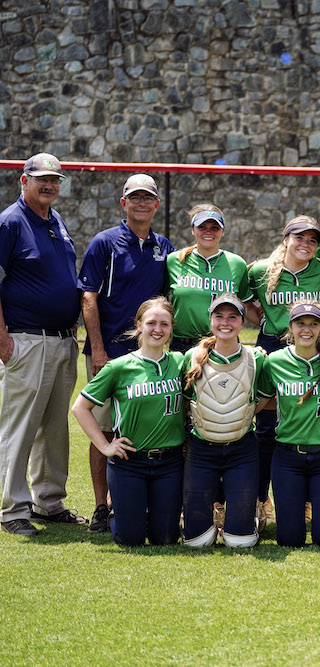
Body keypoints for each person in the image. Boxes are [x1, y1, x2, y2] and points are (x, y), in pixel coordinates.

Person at [78, 173, 174, 533]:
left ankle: (132, 502)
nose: (141, 203)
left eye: (148, 198)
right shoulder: (105, 242)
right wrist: (99, 349)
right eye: (134, 197)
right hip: (111, 353)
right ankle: (102, 506)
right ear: (124, 203)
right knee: (102, 429)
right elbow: (87, 296)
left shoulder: (163, 245)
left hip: (150, 354)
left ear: (156, 205)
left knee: (141, 426)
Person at [0, 153, 86, 536]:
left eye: (55, 179)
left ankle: (48, 502)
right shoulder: (10, 222)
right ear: (24, 180)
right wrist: (3, 341)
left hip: (61, 341)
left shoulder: (54, 221)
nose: (49, 185)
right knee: (20, 427)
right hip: (26, 340)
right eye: (41, 179)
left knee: (54, 428)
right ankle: (12, 508)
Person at [72, 298, 185, 546]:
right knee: (130, 539)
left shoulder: (180, 362)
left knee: (164, 538)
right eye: (151, 322)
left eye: (164, 324)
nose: (157, 329)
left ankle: (144, 511)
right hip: (129, 463)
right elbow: (80, 407)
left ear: (171, 329)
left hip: (170, 463)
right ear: (138, 325)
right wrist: (105, 446)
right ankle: (119, 510)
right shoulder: (119, 367)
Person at [247, 216, 320, 523]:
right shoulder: (260, 270)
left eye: (312, 240)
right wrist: (268, 324)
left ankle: (307, 502)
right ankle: (259, 500)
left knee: (306, 423)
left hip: (307, 347)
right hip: (272, 345)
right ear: (286, 239)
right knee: (266, 428)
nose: (305, 245)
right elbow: (246, 304)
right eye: (299, 238)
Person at [181, 294, 269, 548]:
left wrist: (239, 417)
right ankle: (204, 515)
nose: (225, 322)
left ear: (243, 323)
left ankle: (247, 515)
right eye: (219, 316)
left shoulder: (257, 359)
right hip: (201, 449)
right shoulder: (191, 358)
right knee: (197, 542)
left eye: (233, 317)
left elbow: (260, 400)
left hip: (242, 448)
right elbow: (185, 404)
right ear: (210, 321)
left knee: (239, 542)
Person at [259, 301, 320, 547]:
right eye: (300, 323)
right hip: (288, 455)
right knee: (289, 539)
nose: (306, 329)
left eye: (314, 324)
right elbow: (263, 401)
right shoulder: (274, 361)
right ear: (290, 327)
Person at [164, 204, 251, 352]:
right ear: (193, 230)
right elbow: (159, 300)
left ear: (222, 231)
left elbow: (246, 305)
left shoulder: (236, 264)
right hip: (182, 344)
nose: (208, 232)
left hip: (223, 343)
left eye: (215, 228)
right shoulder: (175, 261)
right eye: (202, 227)